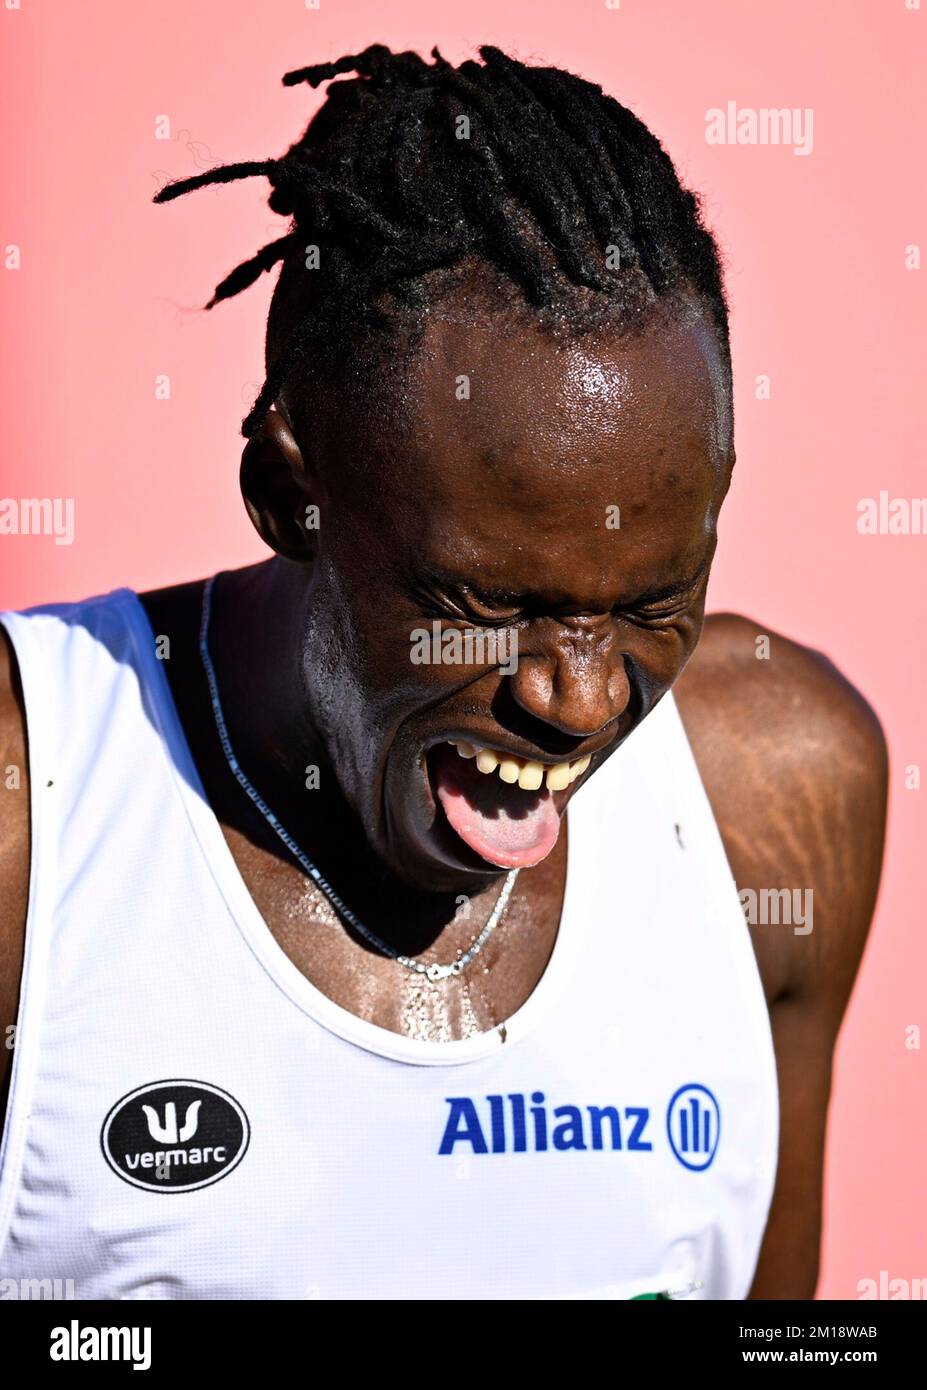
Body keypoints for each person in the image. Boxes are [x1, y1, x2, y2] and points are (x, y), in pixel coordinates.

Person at [0, 44, 887, 1301]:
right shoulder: (37, 821)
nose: (582, 700)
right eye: (493, 605)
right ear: (289, 497)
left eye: (650, 603)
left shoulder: (777, 806)